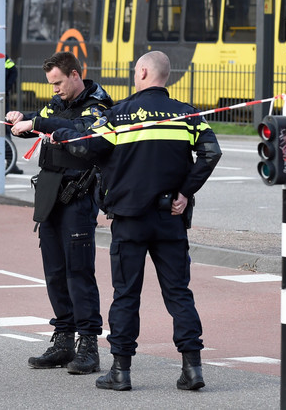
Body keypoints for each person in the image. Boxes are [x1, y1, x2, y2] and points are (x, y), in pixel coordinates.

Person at [51, 51, 222, 392]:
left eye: (134, 71)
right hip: (169, 217)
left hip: (129, 220)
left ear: (143, 72)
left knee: (126, 294)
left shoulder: (119, 114)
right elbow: (211, 152)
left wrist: (53, 132)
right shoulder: (188, 115)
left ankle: (121, 371)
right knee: (178, 293)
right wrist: (185, 192)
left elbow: (87, 147)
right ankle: (192, 368)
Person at [6, 51, 113, 376]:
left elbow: (78, 130)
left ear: (76, 75)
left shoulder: (98, 105)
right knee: (54, 271)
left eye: (58, 83)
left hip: (78, 196)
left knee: (78, 272)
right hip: (51, 195)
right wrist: (21, 120)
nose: (54, 90)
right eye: (50, 84)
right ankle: (64, 338)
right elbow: (43, 120)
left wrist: (37, 121)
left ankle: (88, 345)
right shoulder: (55, 103)